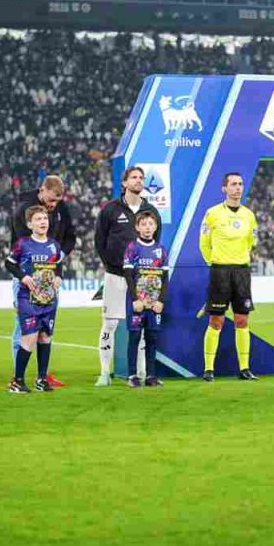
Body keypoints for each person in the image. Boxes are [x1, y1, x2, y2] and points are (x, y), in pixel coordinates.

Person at [95, 166, 161, 386]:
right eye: (134, 177)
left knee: (141, 325)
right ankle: (105, 372)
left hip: (142, 280)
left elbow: (155, 242)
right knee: (110, 323)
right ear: (124, 183)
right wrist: (111, 265)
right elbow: (99, 240)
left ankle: (141, 372)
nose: (138, 181)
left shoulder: (150, 210)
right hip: (115, 276)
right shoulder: (111, 209)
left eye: (141, 178)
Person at [10, 175, 76, 387]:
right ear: (42, 190)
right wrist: (25, 274)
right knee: (23, 328)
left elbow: (70, 237)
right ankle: (17, 375)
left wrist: (57, 261)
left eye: (56, 202)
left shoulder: (60, 209)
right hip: (26, 276)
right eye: (51, 200)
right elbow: (21, 246)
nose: (53, 206)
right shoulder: (23, 209)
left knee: (46, 328)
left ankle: (42, 375)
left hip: (51, 276)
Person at [199, 172, 258, 381]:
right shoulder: (212, 213)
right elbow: (204, 243)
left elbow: (251, 242)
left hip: (241, 271)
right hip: (220, 271)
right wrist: (214, 262)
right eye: (233, 184)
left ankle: (244, 368)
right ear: (224, 188)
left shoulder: (249, 215)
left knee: (242, 319)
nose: (238, 188)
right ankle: (208, 369)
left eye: (240, 184)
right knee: (216, 320)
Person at [5, 206, 65, 393]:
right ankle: (17, 381)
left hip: (48, 298)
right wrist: (22, 276)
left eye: (45, 218)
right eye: (38, 219)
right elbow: (9, 263)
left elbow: (58, 265)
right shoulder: (23, 244)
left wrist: (58, 277)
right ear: (30, 224)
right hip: (28, 298)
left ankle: (41, 379)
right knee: (29, 337)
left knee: (45, 336)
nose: (42, 222)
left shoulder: (54, 245)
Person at [123, 211, 168, 388]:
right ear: (137, 227)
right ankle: (132, 375)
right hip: (138, 303)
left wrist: (161, 301)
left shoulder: (161, 250)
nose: (147, 227)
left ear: (155, 227)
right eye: (144, 224)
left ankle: (151, 376)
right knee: (134, 337)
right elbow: (128, 275)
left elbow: (165, 278)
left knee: (152, 338)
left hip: (154, 304)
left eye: (151, 224)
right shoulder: (132, 248)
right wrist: (135, 299)